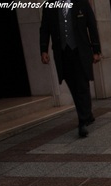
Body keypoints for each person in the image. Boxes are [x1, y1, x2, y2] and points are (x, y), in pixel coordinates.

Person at [40, 0, 101, 138]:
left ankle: (82, 121)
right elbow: (44, 28)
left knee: (82, 84)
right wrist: (43, 50)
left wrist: (96, 50)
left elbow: (91, 26)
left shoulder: (82, 3)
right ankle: (88, 114)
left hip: (80, 52)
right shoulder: (49, 6)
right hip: (62, 54)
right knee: (73, 85)